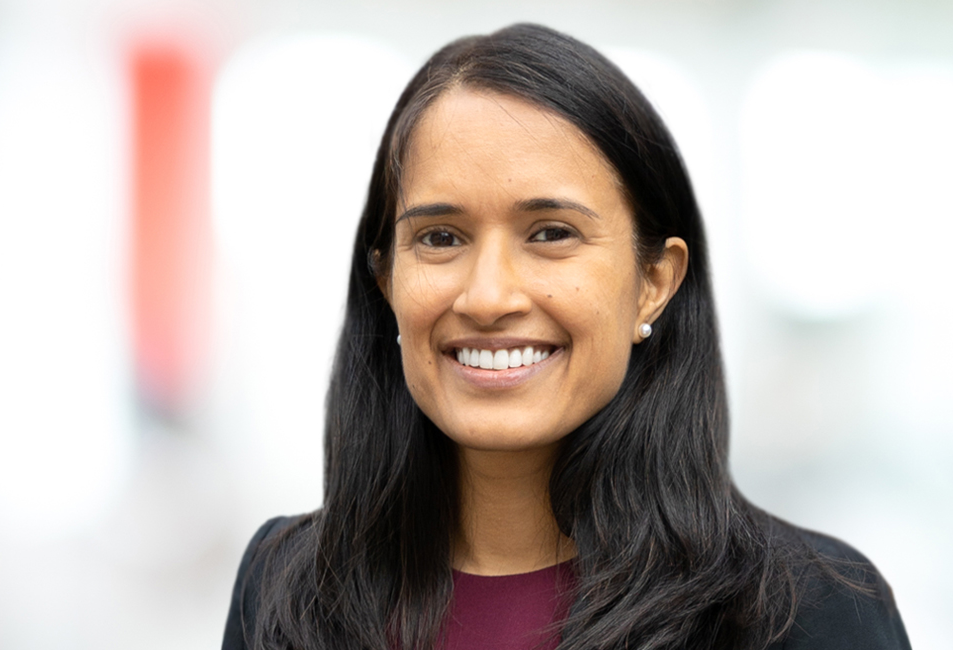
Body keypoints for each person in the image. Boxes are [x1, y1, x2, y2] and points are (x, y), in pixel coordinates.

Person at [220, 23, 912, 650]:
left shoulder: (808, 611)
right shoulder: (286, 588)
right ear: (385, 279)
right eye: (440, 237)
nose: (488, 296)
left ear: (654, 280)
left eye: (551, 233)